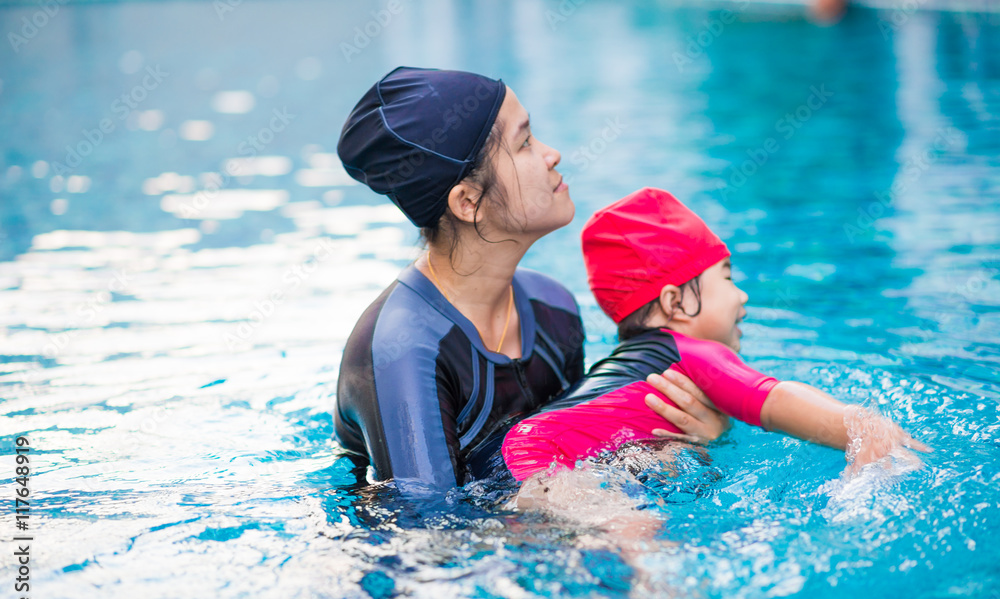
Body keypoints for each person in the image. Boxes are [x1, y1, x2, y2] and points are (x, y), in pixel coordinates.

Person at [333, 68, 727, 488]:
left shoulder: (553, 308)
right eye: (524, 143)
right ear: (468, 201)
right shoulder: (402, 349)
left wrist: (688, 440)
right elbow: (426, 534)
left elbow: (584, 451)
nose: (551, 153)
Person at [502, 187, 929, 482]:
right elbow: (774, 397)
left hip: (513, 465)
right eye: (726, 278)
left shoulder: (622, 369)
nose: (741, 296)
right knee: (635, 540)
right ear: (675, 303)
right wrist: (859, 424)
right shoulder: (693, 355)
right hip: (546, 464)